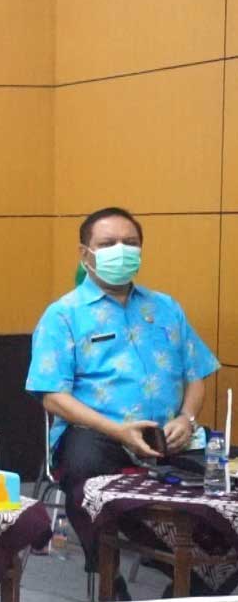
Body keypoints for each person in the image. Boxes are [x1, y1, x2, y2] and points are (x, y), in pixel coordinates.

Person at [27, 206, 219, 579]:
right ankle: (109, 575)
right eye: (108, 243)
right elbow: (52, 395)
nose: (121, 250)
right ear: (85, 254)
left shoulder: (166, 308)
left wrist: (187, 418)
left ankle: (198, 576)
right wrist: (117, 430)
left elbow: (196, 374)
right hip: (97, 434)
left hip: (168, 434)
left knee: (221, 474)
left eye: (130, 243)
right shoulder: (63, 315)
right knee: (86, 477)